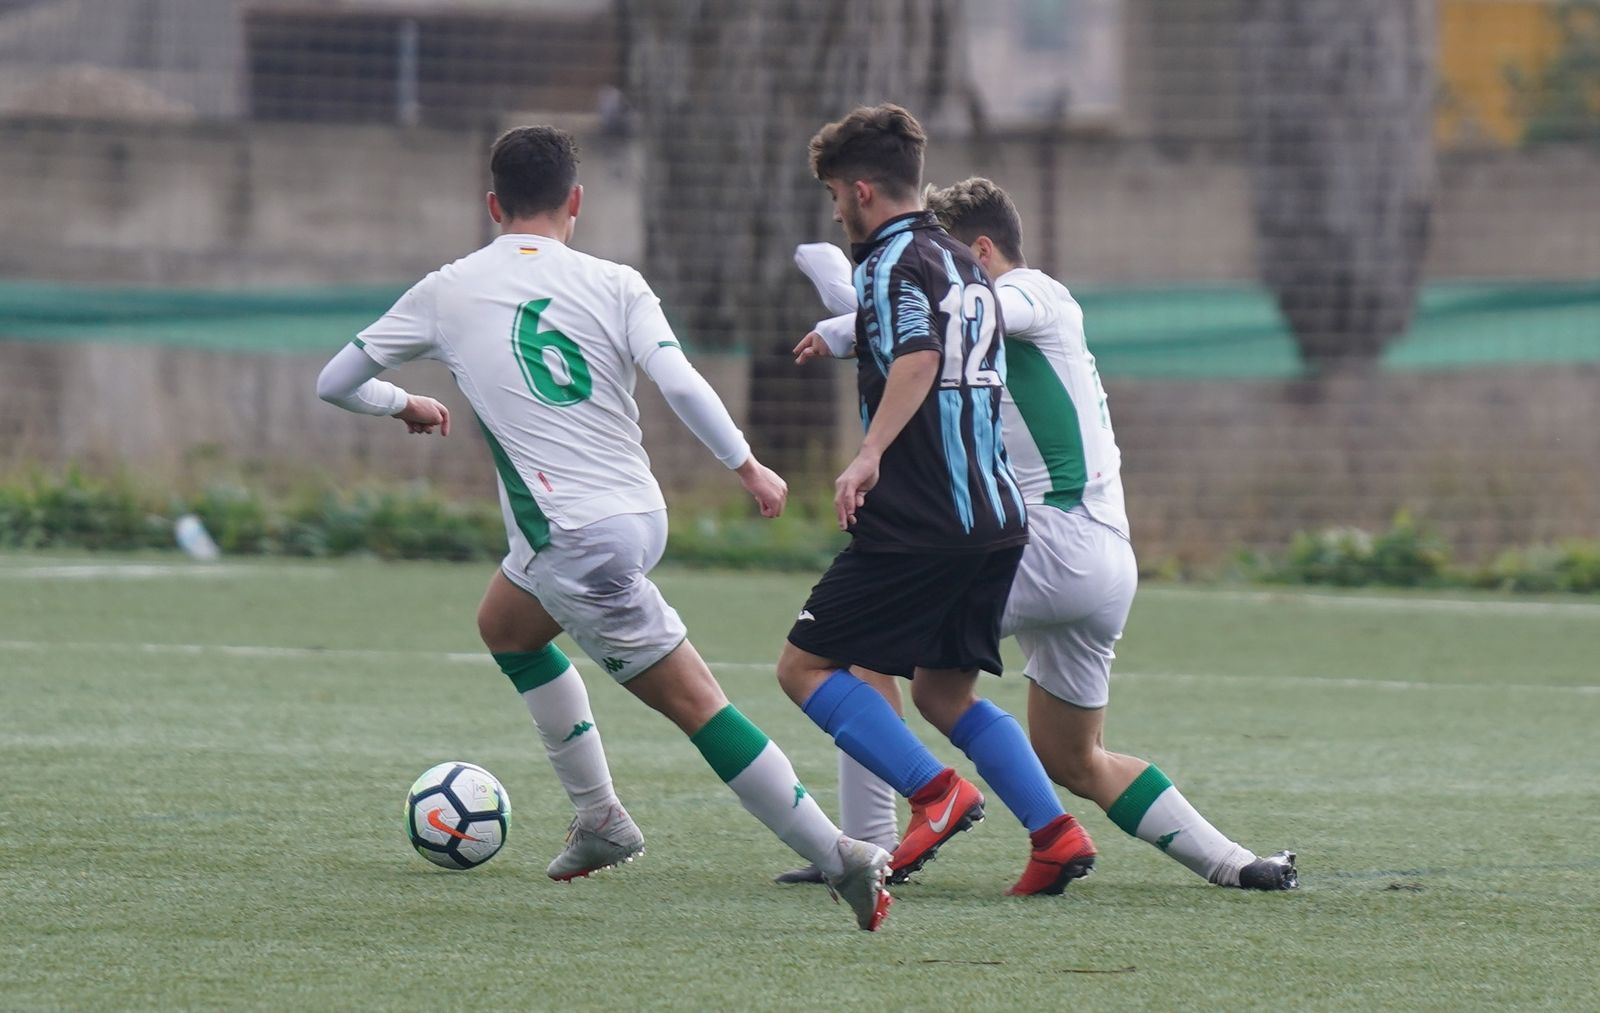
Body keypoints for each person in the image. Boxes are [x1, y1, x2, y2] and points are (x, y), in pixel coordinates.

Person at [315, 125, 892, 930]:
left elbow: (336, 382)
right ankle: (600, 820)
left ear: (492, 205)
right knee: (507, 626)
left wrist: (404, 402)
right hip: (637, 515)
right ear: (575, 204)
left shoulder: (447, 288)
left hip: (572, 538)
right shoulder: (617, 281)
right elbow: (681, 382)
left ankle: (841, 855)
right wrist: (746, 465)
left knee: (697, 704)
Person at [784, 176, 1298, 891]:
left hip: (1051, 540)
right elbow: (920, 325)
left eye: (949, 258)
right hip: (1100, 560)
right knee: (1070, 755)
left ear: (985, 250)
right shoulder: (993, 317)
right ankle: (1237, 864)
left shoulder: (1034, 293)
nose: (935, 272)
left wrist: (846, 316)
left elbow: (957, 311)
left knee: (861, 646)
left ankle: (866, 843)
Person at [774, 104, 1099, 897]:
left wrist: (868, 455)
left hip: (923, 517)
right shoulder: (968, 264)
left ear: (860, 191)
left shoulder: (887, 263)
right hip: (997, 518)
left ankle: (935, 791)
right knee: (941, 689)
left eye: (834, 197)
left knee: (804, 666)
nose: (835, 212)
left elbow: (918, 356)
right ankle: (1055, 834)